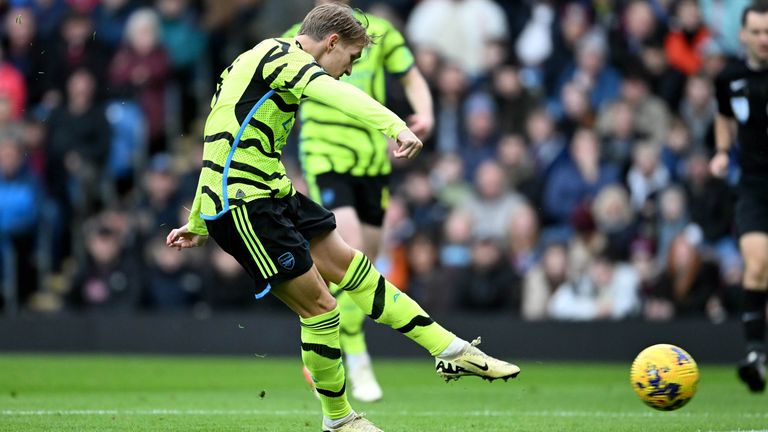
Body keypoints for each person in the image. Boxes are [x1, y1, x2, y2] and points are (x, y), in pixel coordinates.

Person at [166, 5, 519, 432]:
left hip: (271, 193)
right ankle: (339, 420)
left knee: (357, 270)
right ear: (331, 43)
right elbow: (335, 96)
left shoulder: (253, 59)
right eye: (350, 59)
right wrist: (395, 126)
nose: (349, 71)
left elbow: (219, 135)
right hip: (245, 206)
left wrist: (200, 222)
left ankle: (452, 350)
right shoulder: (283, 58)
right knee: (321, 309)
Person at [282, 0, 434, 403]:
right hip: (325, 155)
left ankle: (338, 338)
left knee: (365, 260)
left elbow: (411, 76)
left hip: (372, 160)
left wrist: (426, 113)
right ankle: (354, 354)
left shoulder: (380, 32)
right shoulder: (298, 38)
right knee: (349, 247)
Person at [710, 2, 768, 393]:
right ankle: (754, 354)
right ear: (742, 35)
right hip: (753, 185)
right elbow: (724, 116)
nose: (765, 40)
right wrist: (720, 151)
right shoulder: (728, 77)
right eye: (758, 32)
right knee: (757, 262)